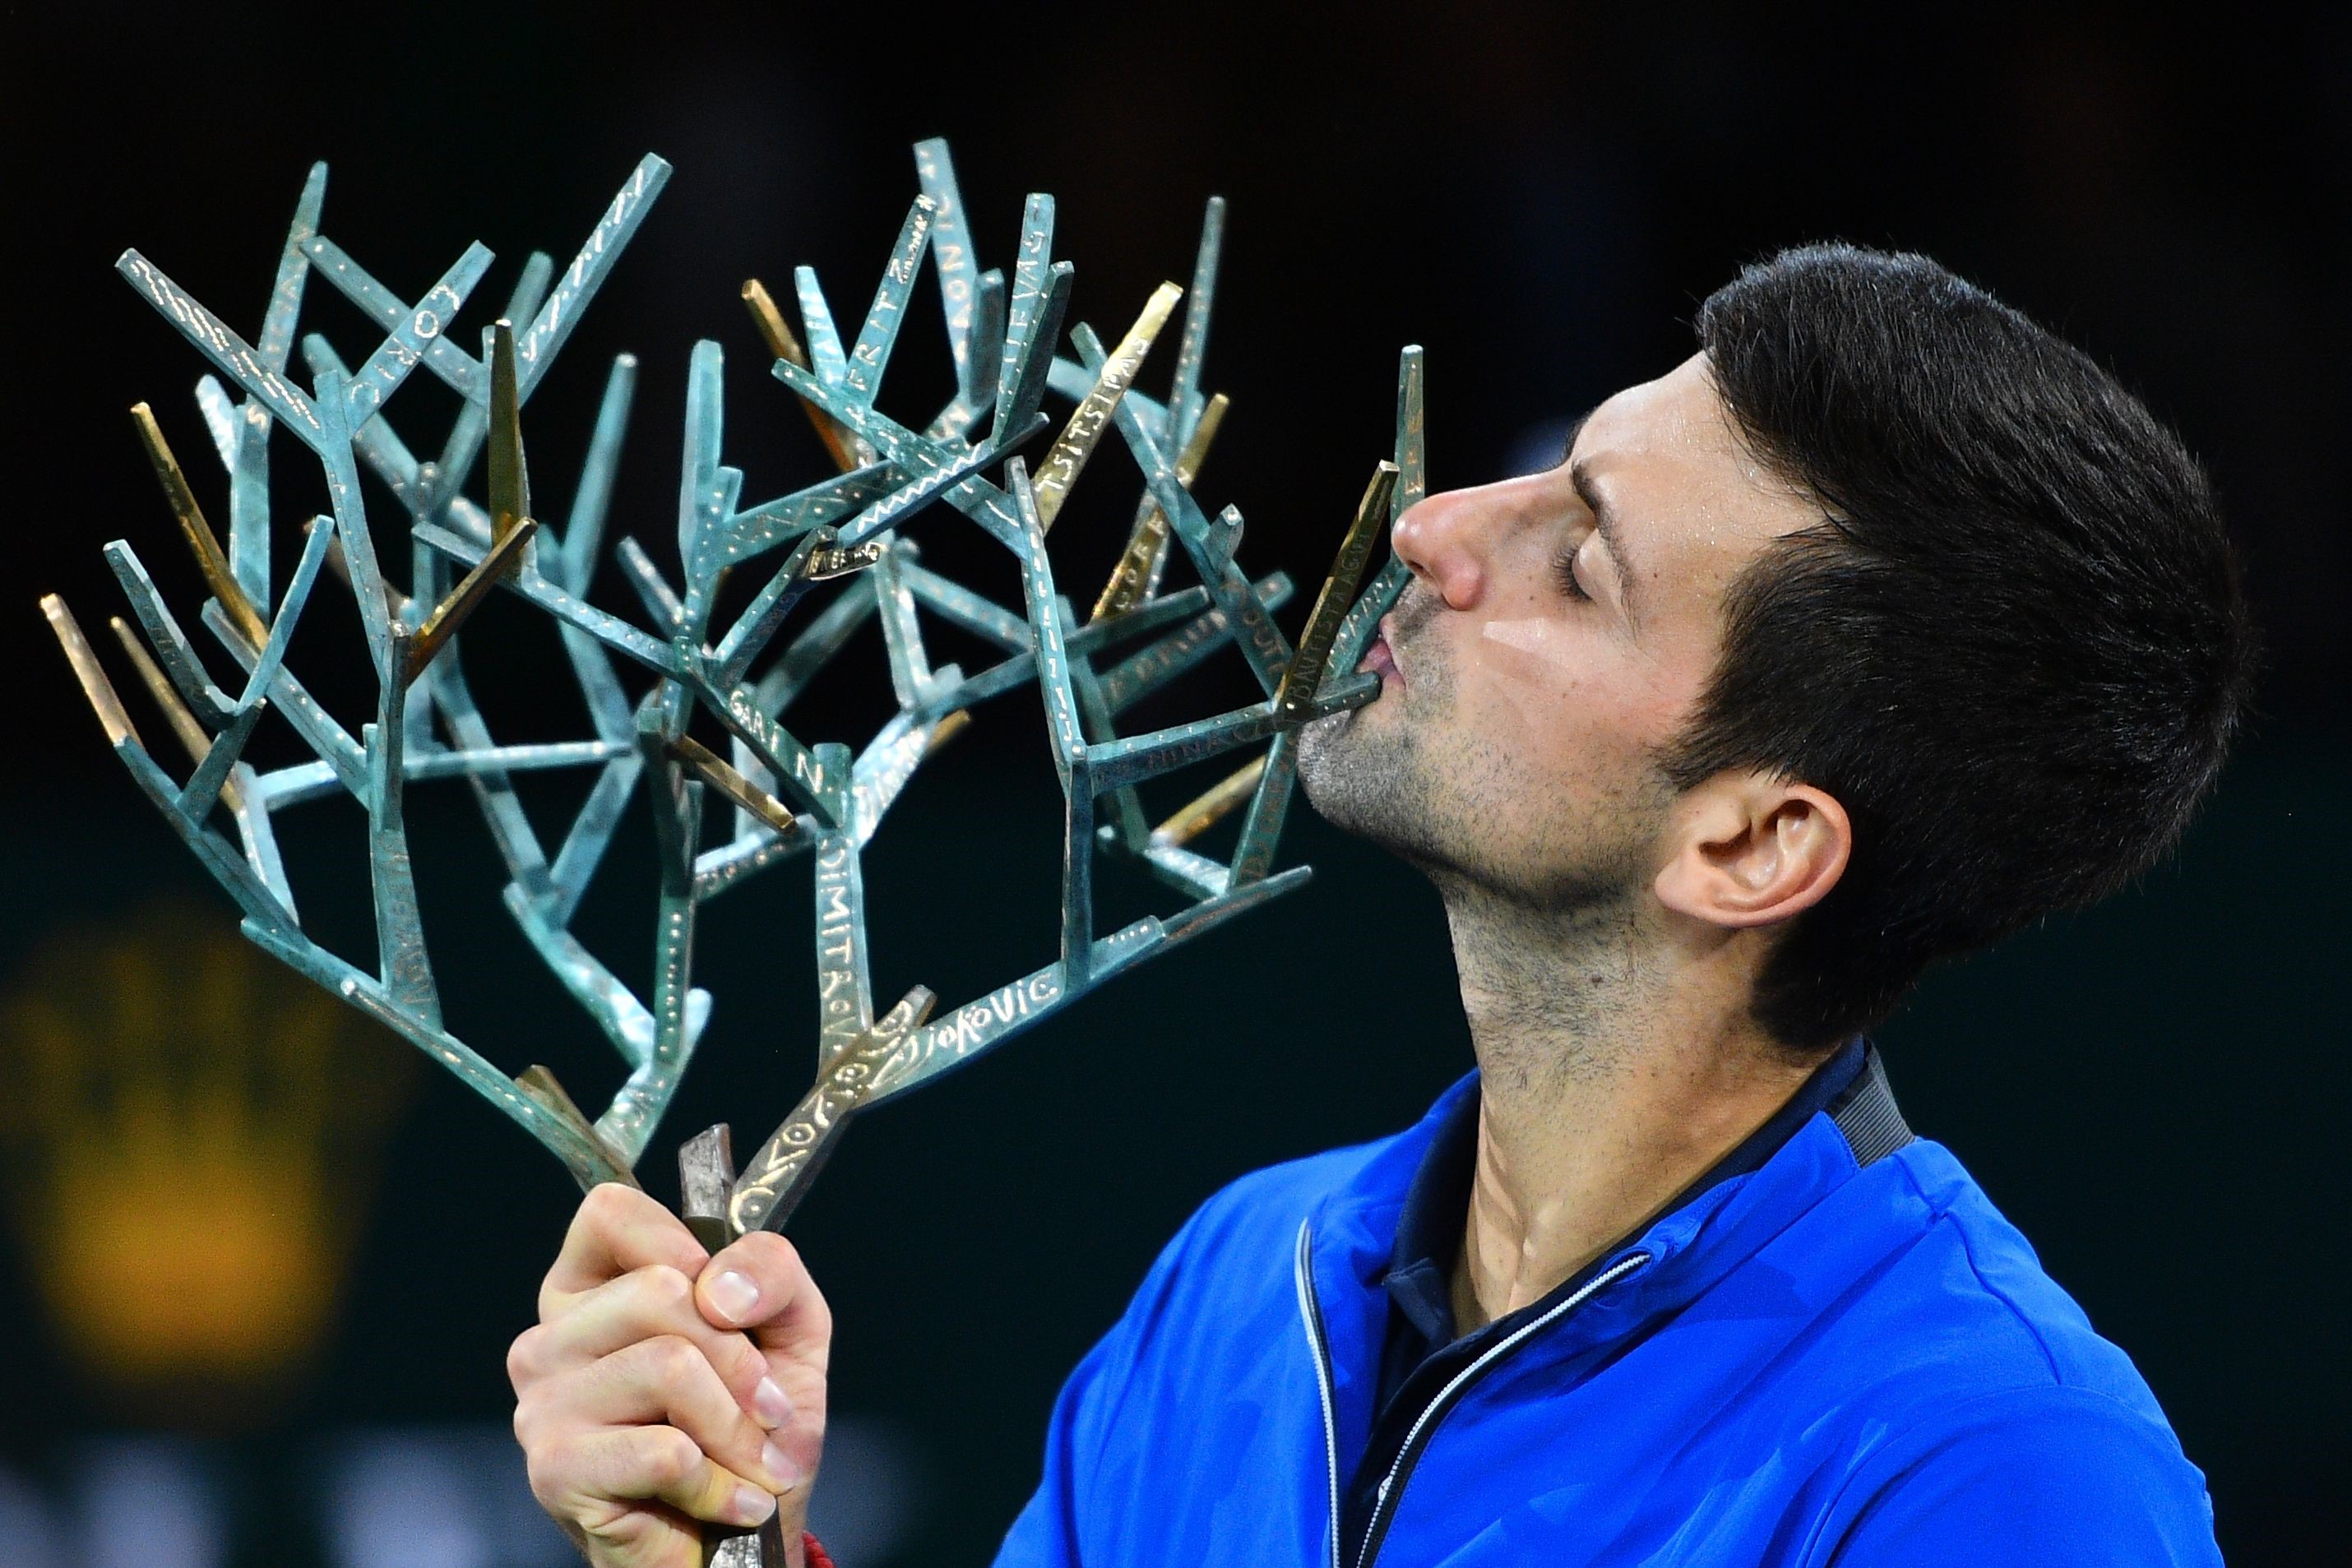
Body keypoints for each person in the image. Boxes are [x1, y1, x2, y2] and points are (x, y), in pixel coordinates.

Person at [505, 244, 2253, 1567]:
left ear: (1748, 846)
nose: (1430, 530)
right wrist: (724, 1543)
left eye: (1575, 565)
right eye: (1539, 466)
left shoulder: (1988, 1472)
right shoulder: (1237, 1284)